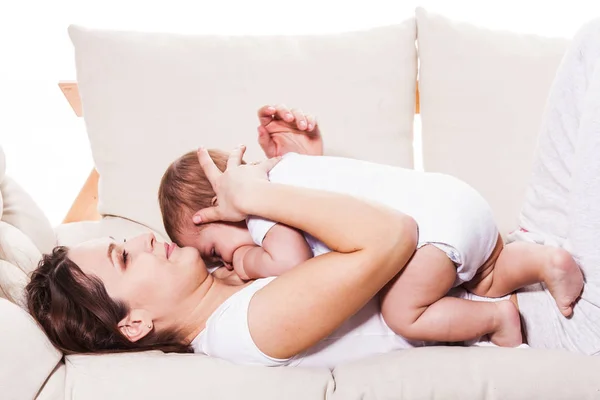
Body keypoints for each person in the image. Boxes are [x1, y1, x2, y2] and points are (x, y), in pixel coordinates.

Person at [25, 18, 600, 366]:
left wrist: (307, 173)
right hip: (555, 317)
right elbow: (392, 237)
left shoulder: (233, 280)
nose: (145, 240)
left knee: (589, 42)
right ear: (134, 323)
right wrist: (261, 198)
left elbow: (336, 248)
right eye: (124, 256)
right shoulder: (243, 331)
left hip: (513, 253)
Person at [158, 117, 581, 348]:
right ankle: (544, 261)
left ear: (220, 206)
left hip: (427, 231)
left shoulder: (261, 203)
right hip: (454, 198)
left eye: (215, 249)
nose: (223, 261)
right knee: (485, 274)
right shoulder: (292, 167)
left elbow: (289, 264)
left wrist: (246, 259)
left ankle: (494, 319)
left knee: (404, 313)